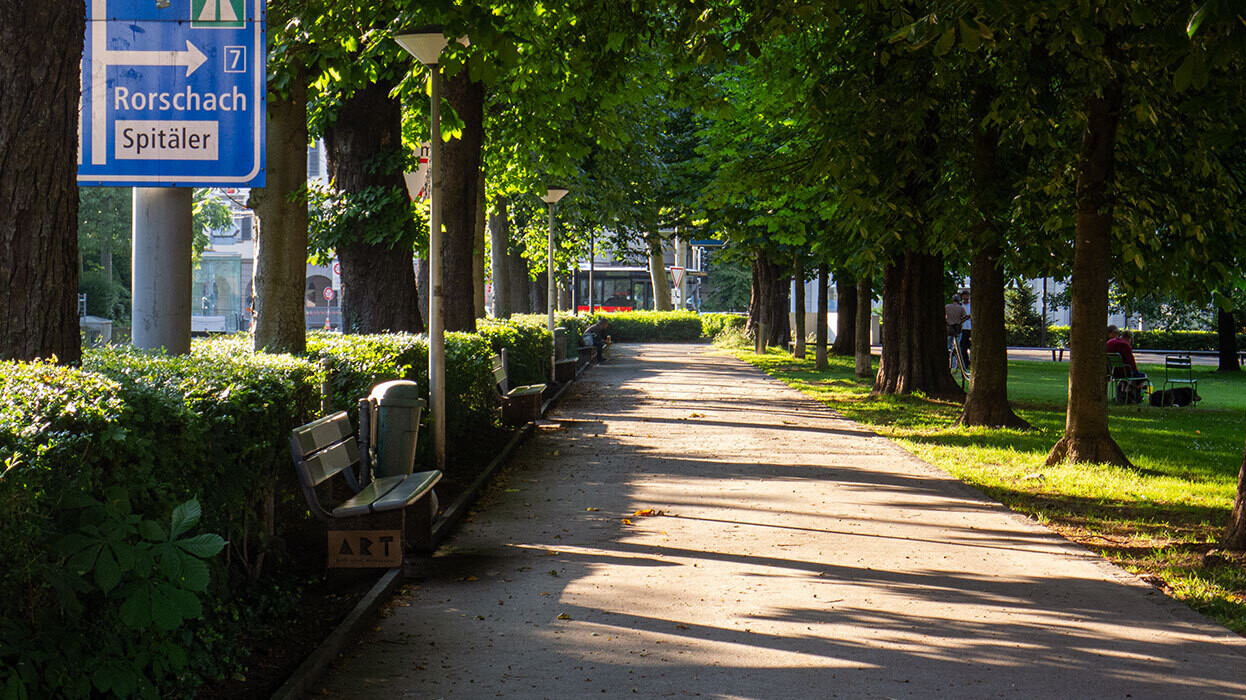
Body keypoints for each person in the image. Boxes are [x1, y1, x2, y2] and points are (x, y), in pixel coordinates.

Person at [1106, 326, 1147, 403]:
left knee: (1129, 377)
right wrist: (1135, 371)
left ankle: (1124, 394)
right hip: (1123, 372)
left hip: (1111, 371)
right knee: (1142, 376)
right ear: (1129, 339)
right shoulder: (1125, 345)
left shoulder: (1109, 342)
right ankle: (1132, 395)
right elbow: (1131, 363)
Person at [945, 293, 969, 369]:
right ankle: (954, 365)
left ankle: (947, 363)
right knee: (957, 347)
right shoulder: (961, 308)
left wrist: (948, 322)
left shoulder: (947, 307)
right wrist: (960, 322)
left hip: (949, 329)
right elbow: (965, 317)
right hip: (957, 329)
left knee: (948, 346)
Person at [960, 291, 972, 369]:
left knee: (971, 346)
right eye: (964, 296)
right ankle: (965, 362)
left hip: (970, 328)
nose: (966, 297)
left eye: (967, 296)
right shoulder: (960, 305)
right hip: (963, 328)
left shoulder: (971, 305)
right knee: (963, 347)